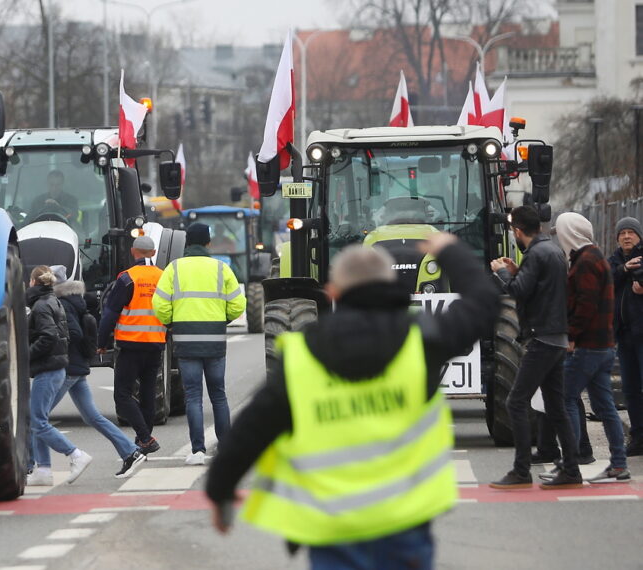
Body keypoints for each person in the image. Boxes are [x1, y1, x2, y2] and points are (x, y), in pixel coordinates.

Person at [205, 233, 498, 569]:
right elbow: (484, 302)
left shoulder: (301, 359)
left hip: (333, 534)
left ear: (332, 293)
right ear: (392, 283)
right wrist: (451, 252)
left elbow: (250, 432)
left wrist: (220, 490)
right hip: (403, 528)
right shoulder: (421, 341)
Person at [488, 205, 583, 490]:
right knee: (556, 406)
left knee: (516, 401)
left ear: (517, 231)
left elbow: (517, 292)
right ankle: (571, 470)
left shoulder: (536, 254)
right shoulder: (551, 251)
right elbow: (540, 288)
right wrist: (519, 271)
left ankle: (521, 470)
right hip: (557, 337)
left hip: (541, 338)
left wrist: (502, 273)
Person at [541, 213, 629, 483]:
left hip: (588, 346)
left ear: (571, 232)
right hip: (603, 345)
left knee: (565, 399)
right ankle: (618, 464)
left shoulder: (586, 262)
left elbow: (586, 304)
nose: (559, 238)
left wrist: (572, 336)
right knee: (605, 407)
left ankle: (570, 463)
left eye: (561, 232)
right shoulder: (594, 257)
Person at [153, 223, 246, 466]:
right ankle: (225, 448)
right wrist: (221, 320)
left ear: (186, 244)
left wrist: (172, 323)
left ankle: (197, 451)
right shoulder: (220, 268)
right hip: (214, 340)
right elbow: (238, 304)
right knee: (219, 395)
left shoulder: (174, 269)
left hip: (185, 340)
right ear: (208, 243)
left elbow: (160, 304)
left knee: (193, 397)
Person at [50, 264, 146, 479]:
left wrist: (54, 347)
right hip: (78, 366)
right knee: (92, 416)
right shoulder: (76, 301)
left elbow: (73, 332)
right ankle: (131, 451)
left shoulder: (61, 304)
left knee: (36, 418)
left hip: (68, 367)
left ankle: (40, 466)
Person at [97, 235, 166, 456]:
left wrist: (101, 342)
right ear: (153, 253)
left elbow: (110, 313)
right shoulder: (164, 278)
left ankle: (145, 437)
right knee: (148, 394)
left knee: (123, 396)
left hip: (130, 345)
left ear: (134, 252)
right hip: (155, 345)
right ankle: (143, 440)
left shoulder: (127, 278)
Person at [26, 265, 93, 486]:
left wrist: (25, 355)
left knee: (37, 421)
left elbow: (49, 337)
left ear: (34, 282)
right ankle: (43, 470)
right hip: (54, 367)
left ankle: (75, 454)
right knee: (39, 419)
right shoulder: (52, 301)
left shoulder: (41, 306)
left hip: (48, 368)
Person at [608, 216, 643, 457]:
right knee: (630, 389)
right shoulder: (613, 261)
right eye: (622, 233)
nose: (627, 236)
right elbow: (604, 281)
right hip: (624, 334)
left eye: (631, 232)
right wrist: (623, 270)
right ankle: (638, 436)